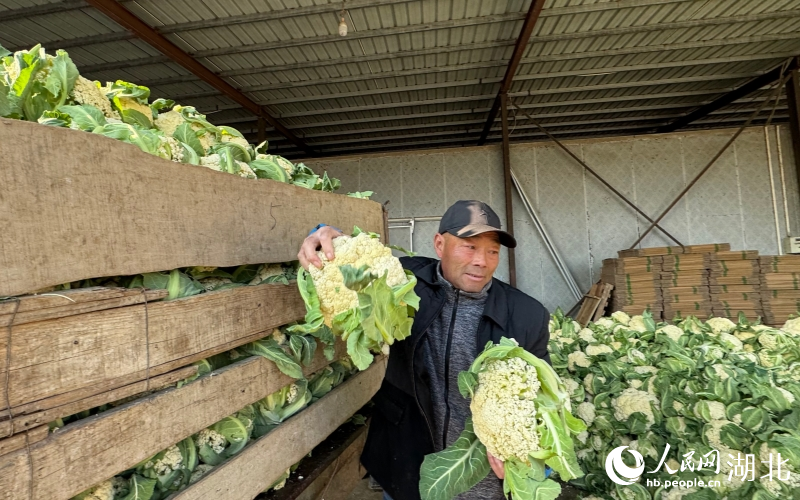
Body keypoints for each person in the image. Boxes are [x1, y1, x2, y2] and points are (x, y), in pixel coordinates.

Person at [297, 200, 551, 500]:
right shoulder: (403, 283)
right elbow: (353, 259)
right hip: (406, 466)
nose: (482, 261)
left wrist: (537, 465)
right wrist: (323, 233)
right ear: (439, 244)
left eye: (492, 251)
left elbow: (543, 403)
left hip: (482, 483)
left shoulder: (527, 315)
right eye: (469, 247)